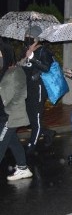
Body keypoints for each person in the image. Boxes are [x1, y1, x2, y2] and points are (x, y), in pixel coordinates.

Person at [19, 25, 56, 153]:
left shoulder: (43, 51)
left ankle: (31, 147)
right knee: (30, 119)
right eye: (26, 37)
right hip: (27, 88)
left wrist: (33, 58)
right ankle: (48, 133)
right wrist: (22, 61)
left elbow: (46, 68)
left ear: (37, 38)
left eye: (30, 37)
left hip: (39, 88)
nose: (27, 39)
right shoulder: (25, 50)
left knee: (36, 119)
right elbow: (22, 69)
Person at [0, 42, 33, 181]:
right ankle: (23, 168)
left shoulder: (15, 71)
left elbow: (21, 94)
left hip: (11, 115)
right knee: (12, 141)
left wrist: (9, 108)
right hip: (3, 115)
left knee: (1, 142)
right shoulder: (2, 71)